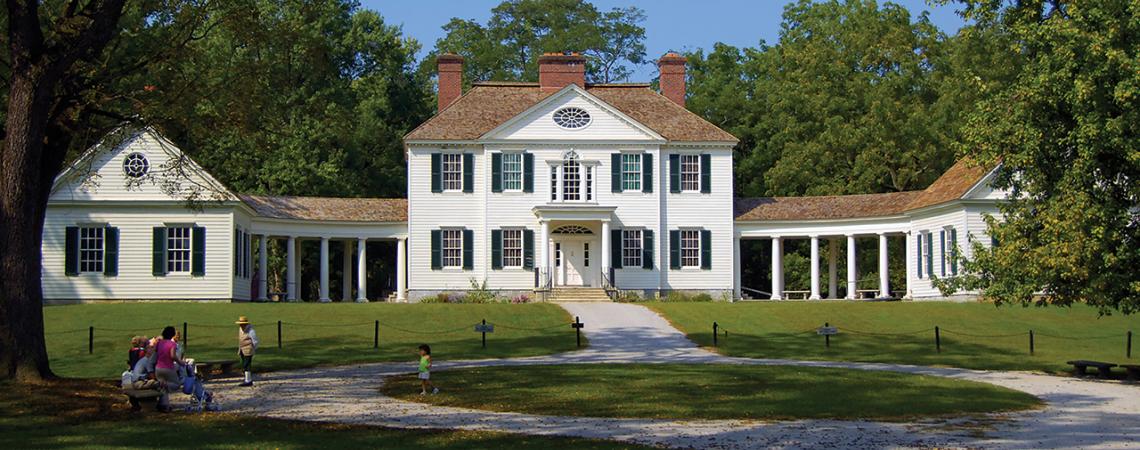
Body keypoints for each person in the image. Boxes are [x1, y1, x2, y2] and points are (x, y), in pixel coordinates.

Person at [154, 326, 181, 412]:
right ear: (172, 335)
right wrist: (180, 362)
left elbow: (155, 353)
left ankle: (164, 405)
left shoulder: (159, 343)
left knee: (163, 389)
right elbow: (172, 356)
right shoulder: (171, 344)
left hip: (158, 368)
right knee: (176, 384)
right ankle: (165, 385)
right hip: (168, 368)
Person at [236, 316, 259, 387]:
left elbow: (255, 341)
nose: (241, 325)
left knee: (247, 364)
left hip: (248, 349)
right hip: (242, 349)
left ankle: (248, 380)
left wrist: (253, 348)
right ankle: (247, 379)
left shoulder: (251, 331)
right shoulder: (240, 329)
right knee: (244, 364)